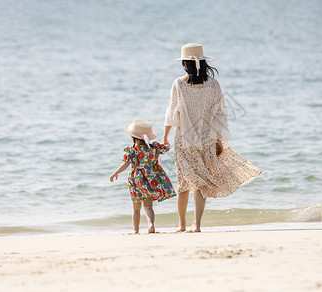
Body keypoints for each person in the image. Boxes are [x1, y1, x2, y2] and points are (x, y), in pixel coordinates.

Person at [163, 43, 262, 233]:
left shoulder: (179, 84)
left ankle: (182, 224)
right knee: (201, 182)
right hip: (207, 140)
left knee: (184, 182)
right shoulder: (213, 84)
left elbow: (171, 113)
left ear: (185, 64)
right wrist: (218, 139)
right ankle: (196, 225)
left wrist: (165, 137)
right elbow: (220, 114)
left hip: (184, 140)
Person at [110, 119, 176, 234]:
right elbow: (166, 148)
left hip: (136, 181)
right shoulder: (154, 148)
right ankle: (151, 224)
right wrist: (167, 145)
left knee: (136, 208)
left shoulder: (132, 151)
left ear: (132, 137)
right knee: (149, 207)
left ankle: (136, 230)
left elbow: (126, 164)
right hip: (152, 180)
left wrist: (116, 173)